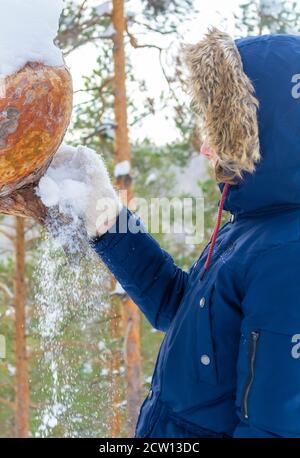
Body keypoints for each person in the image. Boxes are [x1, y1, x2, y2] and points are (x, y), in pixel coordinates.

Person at [79, 29, 300, 437]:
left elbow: (273, 428)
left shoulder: (287, 253)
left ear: (261, 131)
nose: (205, 147)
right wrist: (111, 224)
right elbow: (178, 309)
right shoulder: (250, 229)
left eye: (220, 127)